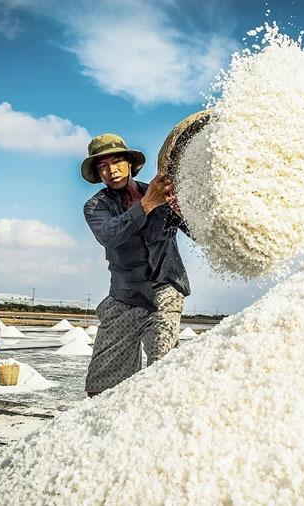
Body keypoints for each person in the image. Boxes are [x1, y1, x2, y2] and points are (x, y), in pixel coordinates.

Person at [80, 133, 190, 397]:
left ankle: (159, 423)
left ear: (130, 164)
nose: (111, 170)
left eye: (117, 162)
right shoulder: (96, 206)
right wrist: (148, 204)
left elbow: (196, 229)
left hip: (165, 292)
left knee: (161, 368)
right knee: (101, 386)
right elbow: (110, 235)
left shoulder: (162, 195)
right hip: (125, 298)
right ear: (98, 173)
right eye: (103, 166)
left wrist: (182, 204)